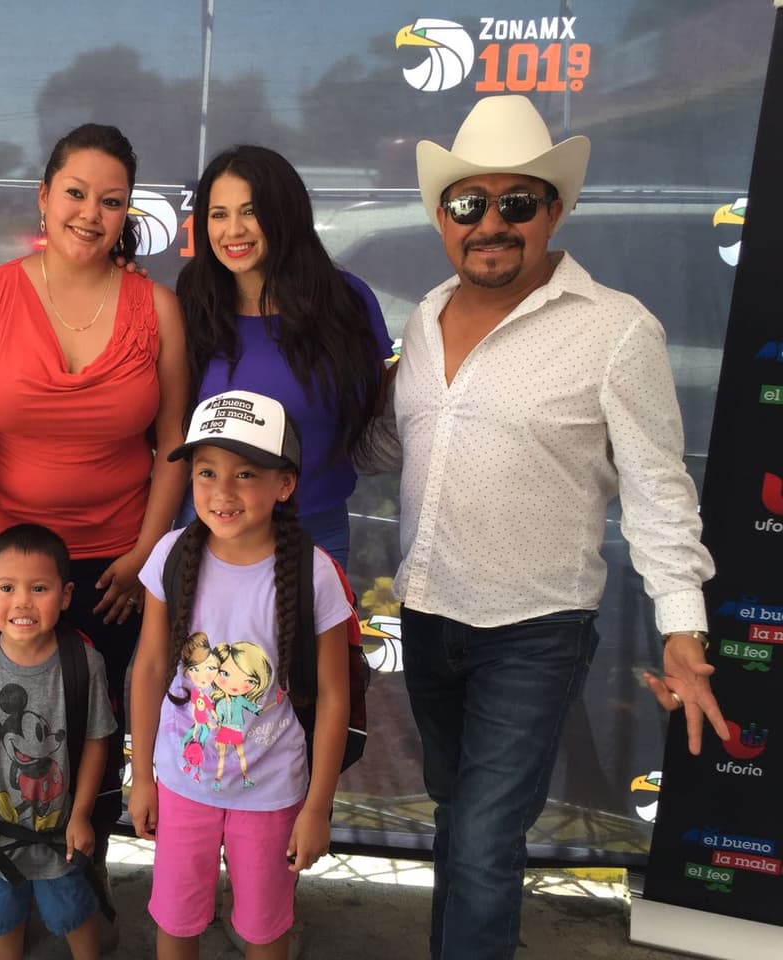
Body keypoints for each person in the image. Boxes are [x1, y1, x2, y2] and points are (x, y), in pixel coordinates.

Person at [362, 94, 729, 960]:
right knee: (457, 817)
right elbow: (387, 442)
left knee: (487, 838)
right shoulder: (422, 316)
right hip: (427, 612)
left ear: (553, 210)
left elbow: (658, 490)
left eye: (515, 203)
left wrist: (683, 626)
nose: (490, 223)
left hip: (534, 631)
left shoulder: (615, 331)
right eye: (467, 205)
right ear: (443, 219)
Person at [0, 122, 188, 910]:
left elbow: (174, 440)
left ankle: (84, 872)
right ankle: (7, 874)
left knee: (94, 733)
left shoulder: (159, 310)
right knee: (10, 731)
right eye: (75, 193)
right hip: (8, 569)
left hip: (113, 566)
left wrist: (145, 556)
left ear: (127, 215)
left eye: (111, 201)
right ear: (45, 197)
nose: (90, 213)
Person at [129, 389, 351, 960]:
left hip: (274, 794)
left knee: (263, 929)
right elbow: (151, 667)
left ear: (284, 484)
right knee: (177, 920)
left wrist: (316, 807)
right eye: (206, 472)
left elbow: (332, 697)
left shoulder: (315, 574)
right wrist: (145, 777)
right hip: (182, 784)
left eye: (245, 473)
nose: (222, 492)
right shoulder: (171, 555)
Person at [177, 146, 391, 566]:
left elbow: (378, 408)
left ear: (284, 213)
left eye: (250, 211)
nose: (232, 230)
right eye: (218, 214)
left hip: (315, 531)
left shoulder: (345, 301)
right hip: (212, 532)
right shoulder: (192, 300)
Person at [0, 523, 115, 960]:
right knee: (2, 918)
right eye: (7, 587)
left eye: (39, 587)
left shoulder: (83, 662)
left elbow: (98, 740)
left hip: (62, 837)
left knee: (74, 914)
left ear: (65, 595)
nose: (22, 601)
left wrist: (81, 817)